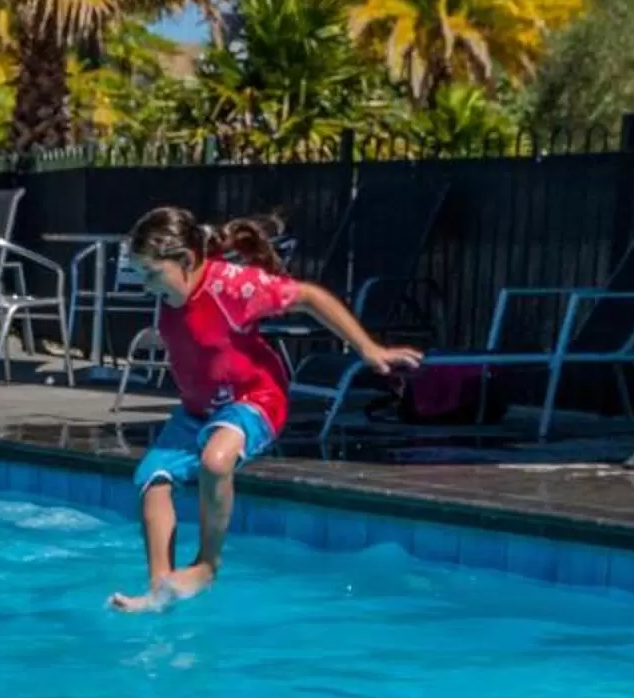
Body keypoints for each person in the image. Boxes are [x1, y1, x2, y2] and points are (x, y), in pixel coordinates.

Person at [109, 207, 424, 613]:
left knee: (216, 460)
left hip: (254, 399)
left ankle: (206, 565)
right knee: (153, 481)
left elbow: (310, 297)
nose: (147, 286)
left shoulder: (233, 287)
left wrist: (368, 349)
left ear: (187, 261)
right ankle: (159, 590)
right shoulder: (174, 290)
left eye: (153, 274)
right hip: (198, 410)